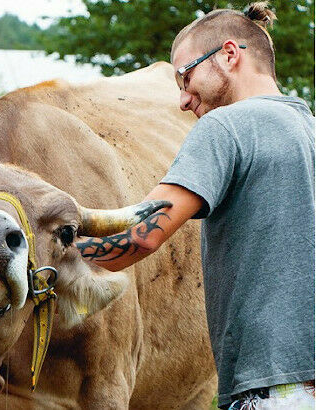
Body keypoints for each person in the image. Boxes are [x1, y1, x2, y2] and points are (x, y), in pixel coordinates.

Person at [74, 3, 314, 409]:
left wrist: (47, 255)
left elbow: (141, 235)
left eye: (186, 77)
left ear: (229, 55)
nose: (183, 100)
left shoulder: (224, 128)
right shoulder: (309, 128)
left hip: (269, 385)